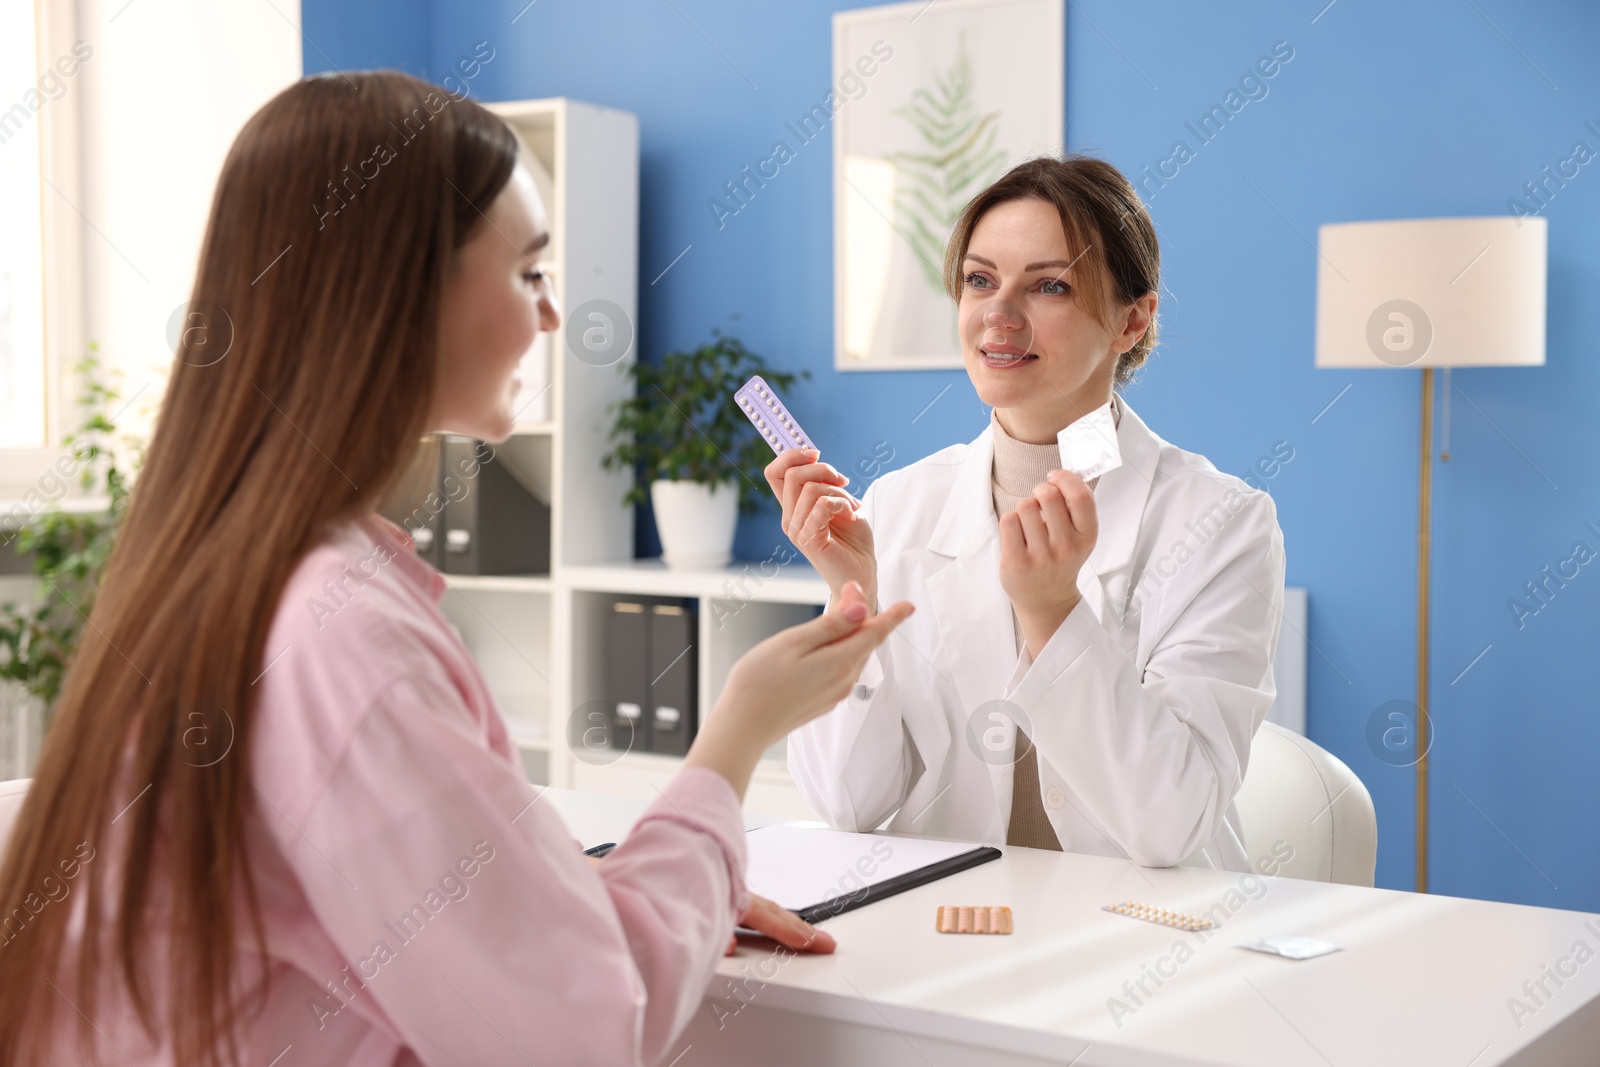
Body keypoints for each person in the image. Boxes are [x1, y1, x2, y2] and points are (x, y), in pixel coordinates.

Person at [0, 70, 913, 1067]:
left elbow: (398, 909)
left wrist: (623, 892)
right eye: (529, 272)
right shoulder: (343, 635)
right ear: (395, 293)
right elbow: (580, 1029)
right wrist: (736, 735)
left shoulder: (236, 575)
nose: (555, 315)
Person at [776, 155, 1285, 872]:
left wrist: (1053, 618)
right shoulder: (898, 504)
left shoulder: (1222, 521)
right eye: (980, 280)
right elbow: (844, 802)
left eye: (1050, 285)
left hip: (1145, 937)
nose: (998, 314)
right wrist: (850, 604)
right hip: (950, 922)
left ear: (1132, 320)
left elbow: (1171, 823)